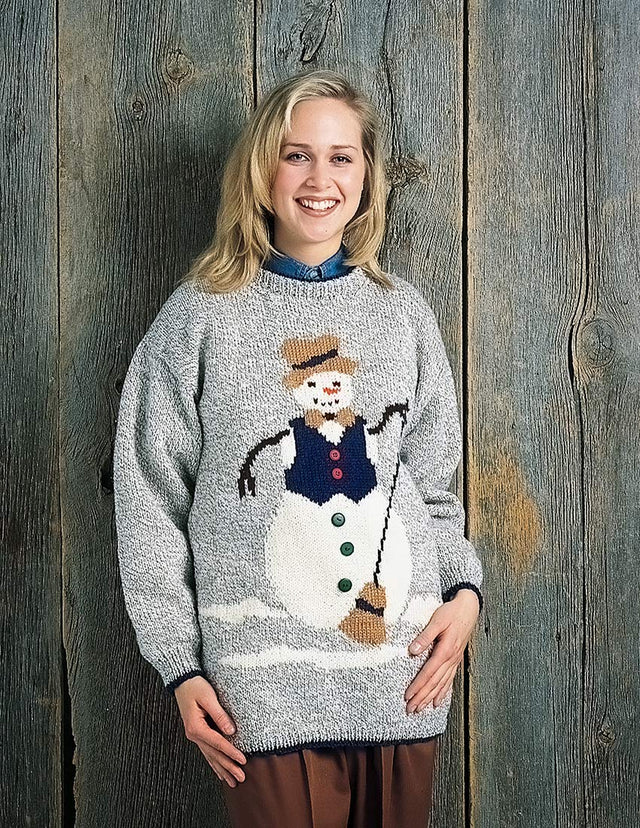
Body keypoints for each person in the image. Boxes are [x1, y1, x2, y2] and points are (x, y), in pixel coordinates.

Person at [112, 68, 484, 828]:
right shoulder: (199, 318)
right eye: (296, 155)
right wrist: (179, 664)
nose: (320, 179)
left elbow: (432, 486)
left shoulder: (403, 314)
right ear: (262, 171)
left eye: (341, 157)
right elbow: (148, 498)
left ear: (367, 176)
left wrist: (466, 592)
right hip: (263, 686)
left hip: (403, 677)